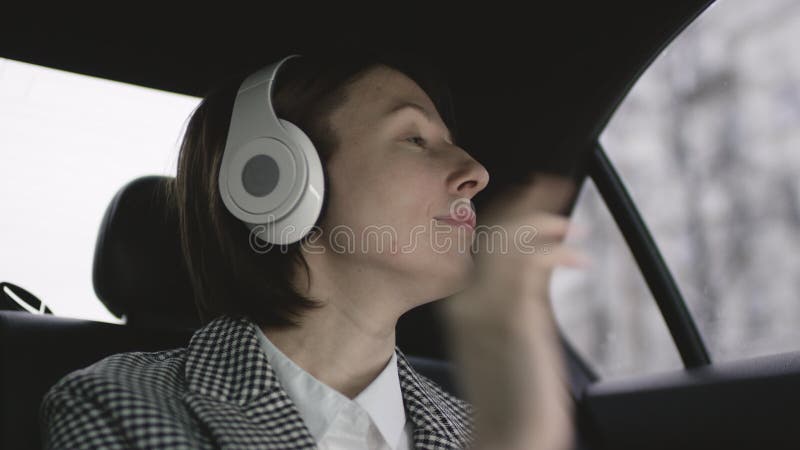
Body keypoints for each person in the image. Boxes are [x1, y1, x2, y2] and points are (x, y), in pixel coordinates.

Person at [40, 47, 588, 449]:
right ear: (276, 180)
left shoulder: (473, 428)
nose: (476, 172)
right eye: (415, 139)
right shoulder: (119, 408)